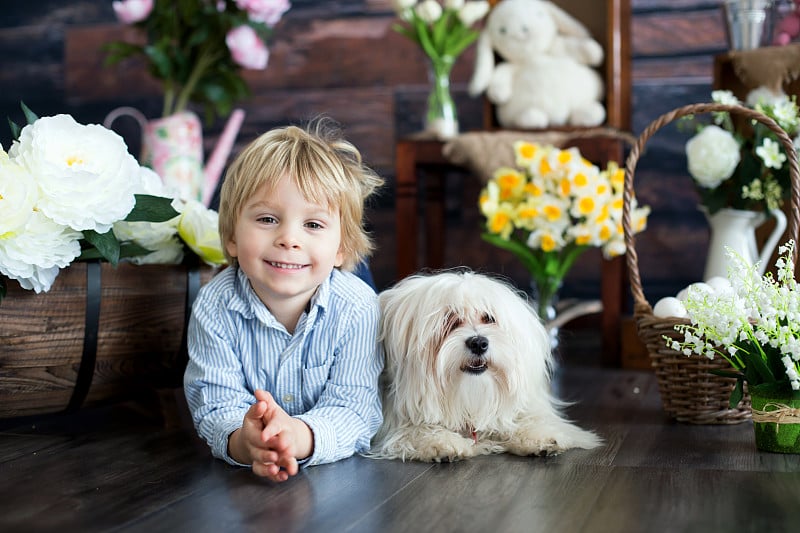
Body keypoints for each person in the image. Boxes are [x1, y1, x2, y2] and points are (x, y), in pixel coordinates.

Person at [184, 118, 385, 482]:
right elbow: (215, 402)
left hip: (338, 479)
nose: (289, 238)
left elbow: (355, 409)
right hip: (246, 472)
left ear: (342, 247)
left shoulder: (357, 307)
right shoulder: (215, 305)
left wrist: (298, 437)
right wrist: (246, 442)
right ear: (230, 237)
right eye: (267, 218)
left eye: (313, 225)